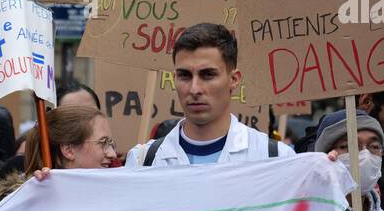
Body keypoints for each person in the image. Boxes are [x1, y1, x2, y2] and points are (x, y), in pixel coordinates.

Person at [124, 23, 292, 167]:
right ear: (174, 78)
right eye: (185, 75)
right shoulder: (142, 161)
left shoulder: (276, 158)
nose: (194, 89)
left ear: (234, 79)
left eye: (208, 75)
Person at [0, 106, 118, 211]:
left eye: (111, 144)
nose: (112, 154)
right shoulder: (23, 205)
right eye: (103, 143)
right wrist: (34, 198)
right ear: (68, 150)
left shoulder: (113, 195)